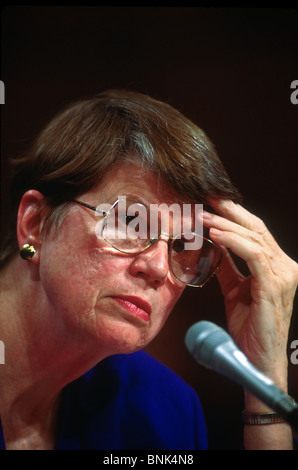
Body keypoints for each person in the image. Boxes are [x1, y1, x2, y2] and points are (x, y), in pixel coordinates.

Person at [0, 89, 297, 450]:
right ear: (36, 224)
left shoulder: (163, 410)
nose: (158, 268)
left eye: (182, 246)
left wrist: (264, 383)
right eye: (129, 222)